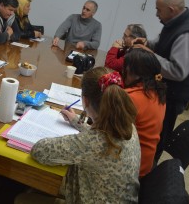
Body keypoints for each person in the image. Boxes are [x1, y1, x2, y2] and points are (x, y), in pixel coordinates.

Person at [17, 67, 140, 203]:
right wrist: (77, 122)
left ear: (85, 101)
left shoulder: (91, 143)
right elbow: (101, 139)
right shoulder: (127, 126)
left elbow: (38, 150)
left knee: (22, 199)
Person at [134, 0, 189, 162]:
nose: (156, 13)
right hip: (163, 90)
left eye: (159, 9)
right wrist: (147, 43)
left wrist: (149, 55)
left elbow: (177, 71)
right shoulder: (173, 23)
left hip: (172, 97)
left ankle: (145, 176)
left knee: (156, 138)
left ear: (171, 9)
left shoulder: (187, 34)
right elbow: (162, 43)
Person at [122, 48, 167, 177]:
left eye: (126, 68)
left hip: (131, 166)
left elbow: (105, 133)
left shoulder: (131, 98)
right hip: (145, 162)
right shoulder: (158, 93)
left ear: (133, 73)